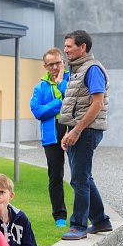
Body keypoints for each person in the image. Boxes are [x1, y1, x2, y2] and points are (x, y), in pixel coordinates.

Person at [58, 30, 112, 240]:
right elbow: (77, 107)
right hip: (80, 130)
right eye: (65, 46)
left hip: (87, 131)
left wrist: (78, 130)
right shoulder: (78, 70)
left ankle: (78, 226)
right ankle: (100, 220)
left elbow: (97, 103)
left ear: (83, 47)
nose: (66, 50)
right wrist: (70, 131)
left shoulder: (92, 69)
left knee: (79, 180)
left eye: (69, 46)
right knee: (85, 178)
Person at [30, 48, 69, 227]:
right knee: (55, 176)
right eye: (50, 64)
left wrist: (60, 96)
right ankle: (59, 216)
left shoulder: (73, 80)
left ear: (64, 62)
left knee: (81, 176)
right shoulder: (40, 87)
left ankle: (89, 214)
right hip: (52, 135)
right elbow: (38, 111)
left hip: (72, 130)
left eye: (57, 63)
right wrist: (59, 102)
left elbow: (77, 103)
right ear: (45, 66)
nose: (55, 67)